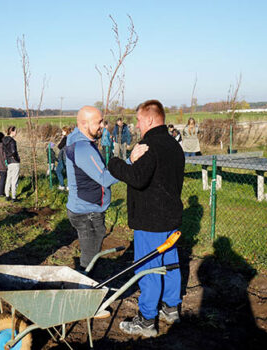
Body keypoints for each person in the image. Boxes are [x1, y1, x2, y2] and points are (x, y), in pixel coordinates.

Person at [108, 99, 184, 337]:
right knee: (170, 263)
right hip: (171, 218)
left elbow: (137, 178)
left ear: (150, 119)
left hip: (150, 221)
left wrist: (115, 163)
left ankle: (147, 320)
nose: (136, 125)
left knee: (148, 268)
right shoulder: (174, 145)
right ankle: (171, 308)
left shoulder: (149, 146)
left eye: (139, 120)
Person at [65, 106, 120, 272]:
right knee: (89, 260)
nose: (103, 126)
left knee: (90, 255)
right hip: (87, 212)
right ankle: (84, 289)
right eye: (99, 122)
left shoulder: (77, 139)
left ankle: (86, 284)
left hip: (85, 208)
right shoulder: (82, 148)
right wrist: (129, 164)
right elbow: (104, 178)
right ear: (84, 123)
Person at [3, 126, 21, 202]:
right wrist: (17, 159)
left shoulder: (4, 140)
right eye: (15, 131)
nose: (16, 133)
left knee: (8, 179)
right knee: (14, 180)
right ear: (12, 132)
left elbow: (4, 151)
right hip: (14, 162)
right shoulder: (12, 141)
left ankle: (7, 195)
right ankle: (14, 197)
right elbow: (13, 151)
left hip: (9, 162)